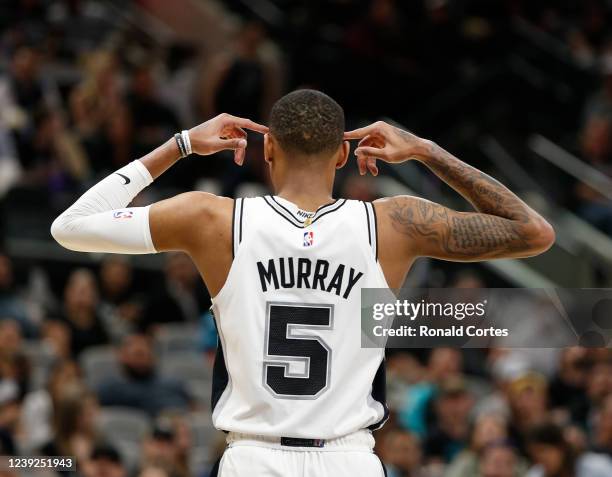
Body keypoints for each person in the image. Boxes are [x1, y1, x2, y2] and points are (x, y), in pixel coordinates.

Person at [50, 89, 554, 476]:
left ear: (267, 147)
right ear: (341, 155)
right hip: (348, 460)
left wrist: (180, 145)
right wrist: (424, 151)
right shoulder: (395, 224)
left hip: (253, 459)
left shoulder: (213, 219)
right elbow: (533, 232)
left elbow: (69, 227)